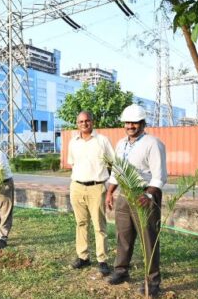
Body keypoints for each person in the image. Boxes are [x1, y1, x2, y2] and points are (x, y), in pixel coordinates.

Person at [105, 104, 167, 297]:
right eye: (127, 122)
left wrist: (147, 195)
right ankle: (121, 271)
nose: (130, 126)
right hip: (125, 193)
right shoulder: (121, 143)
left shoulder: (152, 143)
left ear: (142, 123)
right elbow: (117, 171)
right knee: (123, 235)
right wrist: (110, 192)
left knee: (148, 239)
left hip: (145, 195)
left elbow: (159, 175)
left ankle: (153, 281)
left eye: (134, 122)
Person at [68, 111, 114, 276]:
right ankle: (83, 256)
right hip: (77, 187)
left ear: (92, 122)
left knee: (99, 225)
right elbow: (73, 163)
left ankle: (102, 260)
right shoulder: (73, 142)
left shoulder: (102, 141)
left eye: (87, 121)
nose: (84, 124)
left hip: (97, 187)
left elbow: (112, 163)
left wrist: (110, 189)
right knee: (81, 223)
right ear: (77, 123)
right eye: (81, 121)